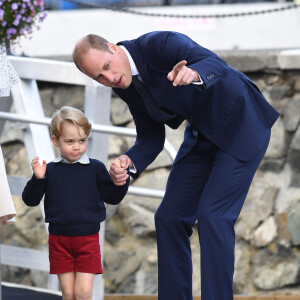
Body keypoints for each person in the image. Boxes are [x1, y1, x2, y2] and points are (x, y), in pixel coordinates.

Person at [72, 31, 280, 300]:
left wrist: (194, 73)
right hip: (203, 133)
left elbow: (214, 63)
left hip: (242, 122)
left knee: (213, 216)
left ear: (113, 48)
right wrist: (129, 161)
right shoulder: (124, 85)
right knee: (169, 217)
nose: (109, 78)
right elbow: (150, 136)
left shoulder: (160, 44)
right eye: (98, 77)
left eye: (107, 67)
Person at [22, 106, 129, 300]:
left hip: (87, 240)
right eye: (69, 141)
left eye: (82, 140)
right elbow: (30, 200)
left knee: (82, 293)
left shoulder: (96, 168)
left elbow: (112, 197)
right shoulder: (50, 171)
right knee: (69, 294)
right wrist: (38, 179)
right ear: (55, 141)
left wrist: (122, 181)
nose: (77, 146)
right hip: (59, 241)